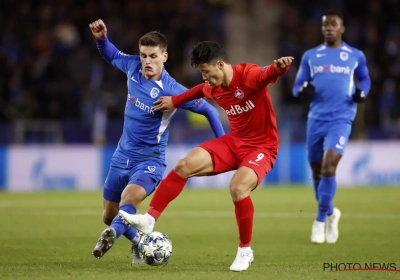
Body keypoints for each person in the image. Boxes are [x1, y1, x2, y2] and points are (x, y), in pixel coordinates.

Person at [119, 40, 293, 271]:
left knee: (238, 187)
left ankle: (245, 250)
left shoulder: (249, 75)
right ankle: (149, 219)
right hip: (234, 142)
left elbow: (268, 74)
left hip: (262, 147)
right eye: (201, 73)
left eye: (206, 72)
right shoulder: (213, 86)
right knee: (183, 165)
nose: (205, 78)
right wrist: (175, 101)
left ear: (220, 65)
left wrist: (280, 67)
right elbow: (198, 91)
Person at [88, 20, 225, 263]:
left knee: (129, 200)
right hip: (121, 157)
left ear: (164, 56)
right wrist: (101, 39)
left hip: (149, 161)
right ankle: (140, 241)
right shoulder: (132, 67)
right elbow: (110, 54)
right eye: (143, 55)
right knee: (109, 215)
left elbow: (210, 111)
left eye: (153, 56)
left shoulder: (172, 90)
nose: (147, 61)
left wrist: (224, 145)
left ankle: (109, 238)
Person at [291, 9, 371, 244]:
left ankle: (318, 220)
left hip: (341, 118)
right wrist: (303, 91)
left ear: (342, 29)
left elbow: (365, 79)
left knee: (328, 167)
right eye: (325, 25)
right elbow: (297, 85)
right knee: (317, 170)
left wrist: (362, 93)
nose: (328, 28)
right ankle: (331, 212)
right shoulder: (311, 56)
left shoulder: (355, 55)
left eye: (333, 24)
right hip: (316, 119)